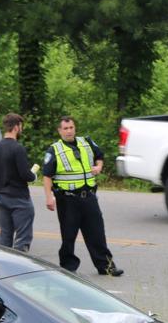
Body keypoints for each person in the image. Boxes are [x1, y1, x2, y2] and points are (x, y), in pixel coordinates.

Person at [43, 115, 122, 276]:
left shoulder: (86, 142)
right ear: (60, 131)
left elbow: (100, 156)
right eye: (65, 128)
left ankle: (106, 266)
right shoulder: (54, 150)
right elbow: (47, 176)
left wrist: (98, 167)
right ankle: (68, 267)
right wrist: (49, 197)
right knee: (68, 235)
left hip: (89, 197)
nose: (69, 131)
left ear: (75, 128)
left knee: (97, 233)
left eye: (71, 127)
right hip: (68, 199)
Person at [0, 112, 36, 251]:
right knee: (22, 238)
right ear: (16, 127)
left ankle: (4, 266)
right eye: (21, 126)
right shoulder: (18, 148)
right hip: (19, 198)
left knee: (5, 235)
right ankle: (20, 266)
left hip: (2, 196)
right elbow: (25, 174)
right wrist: (33, 175)